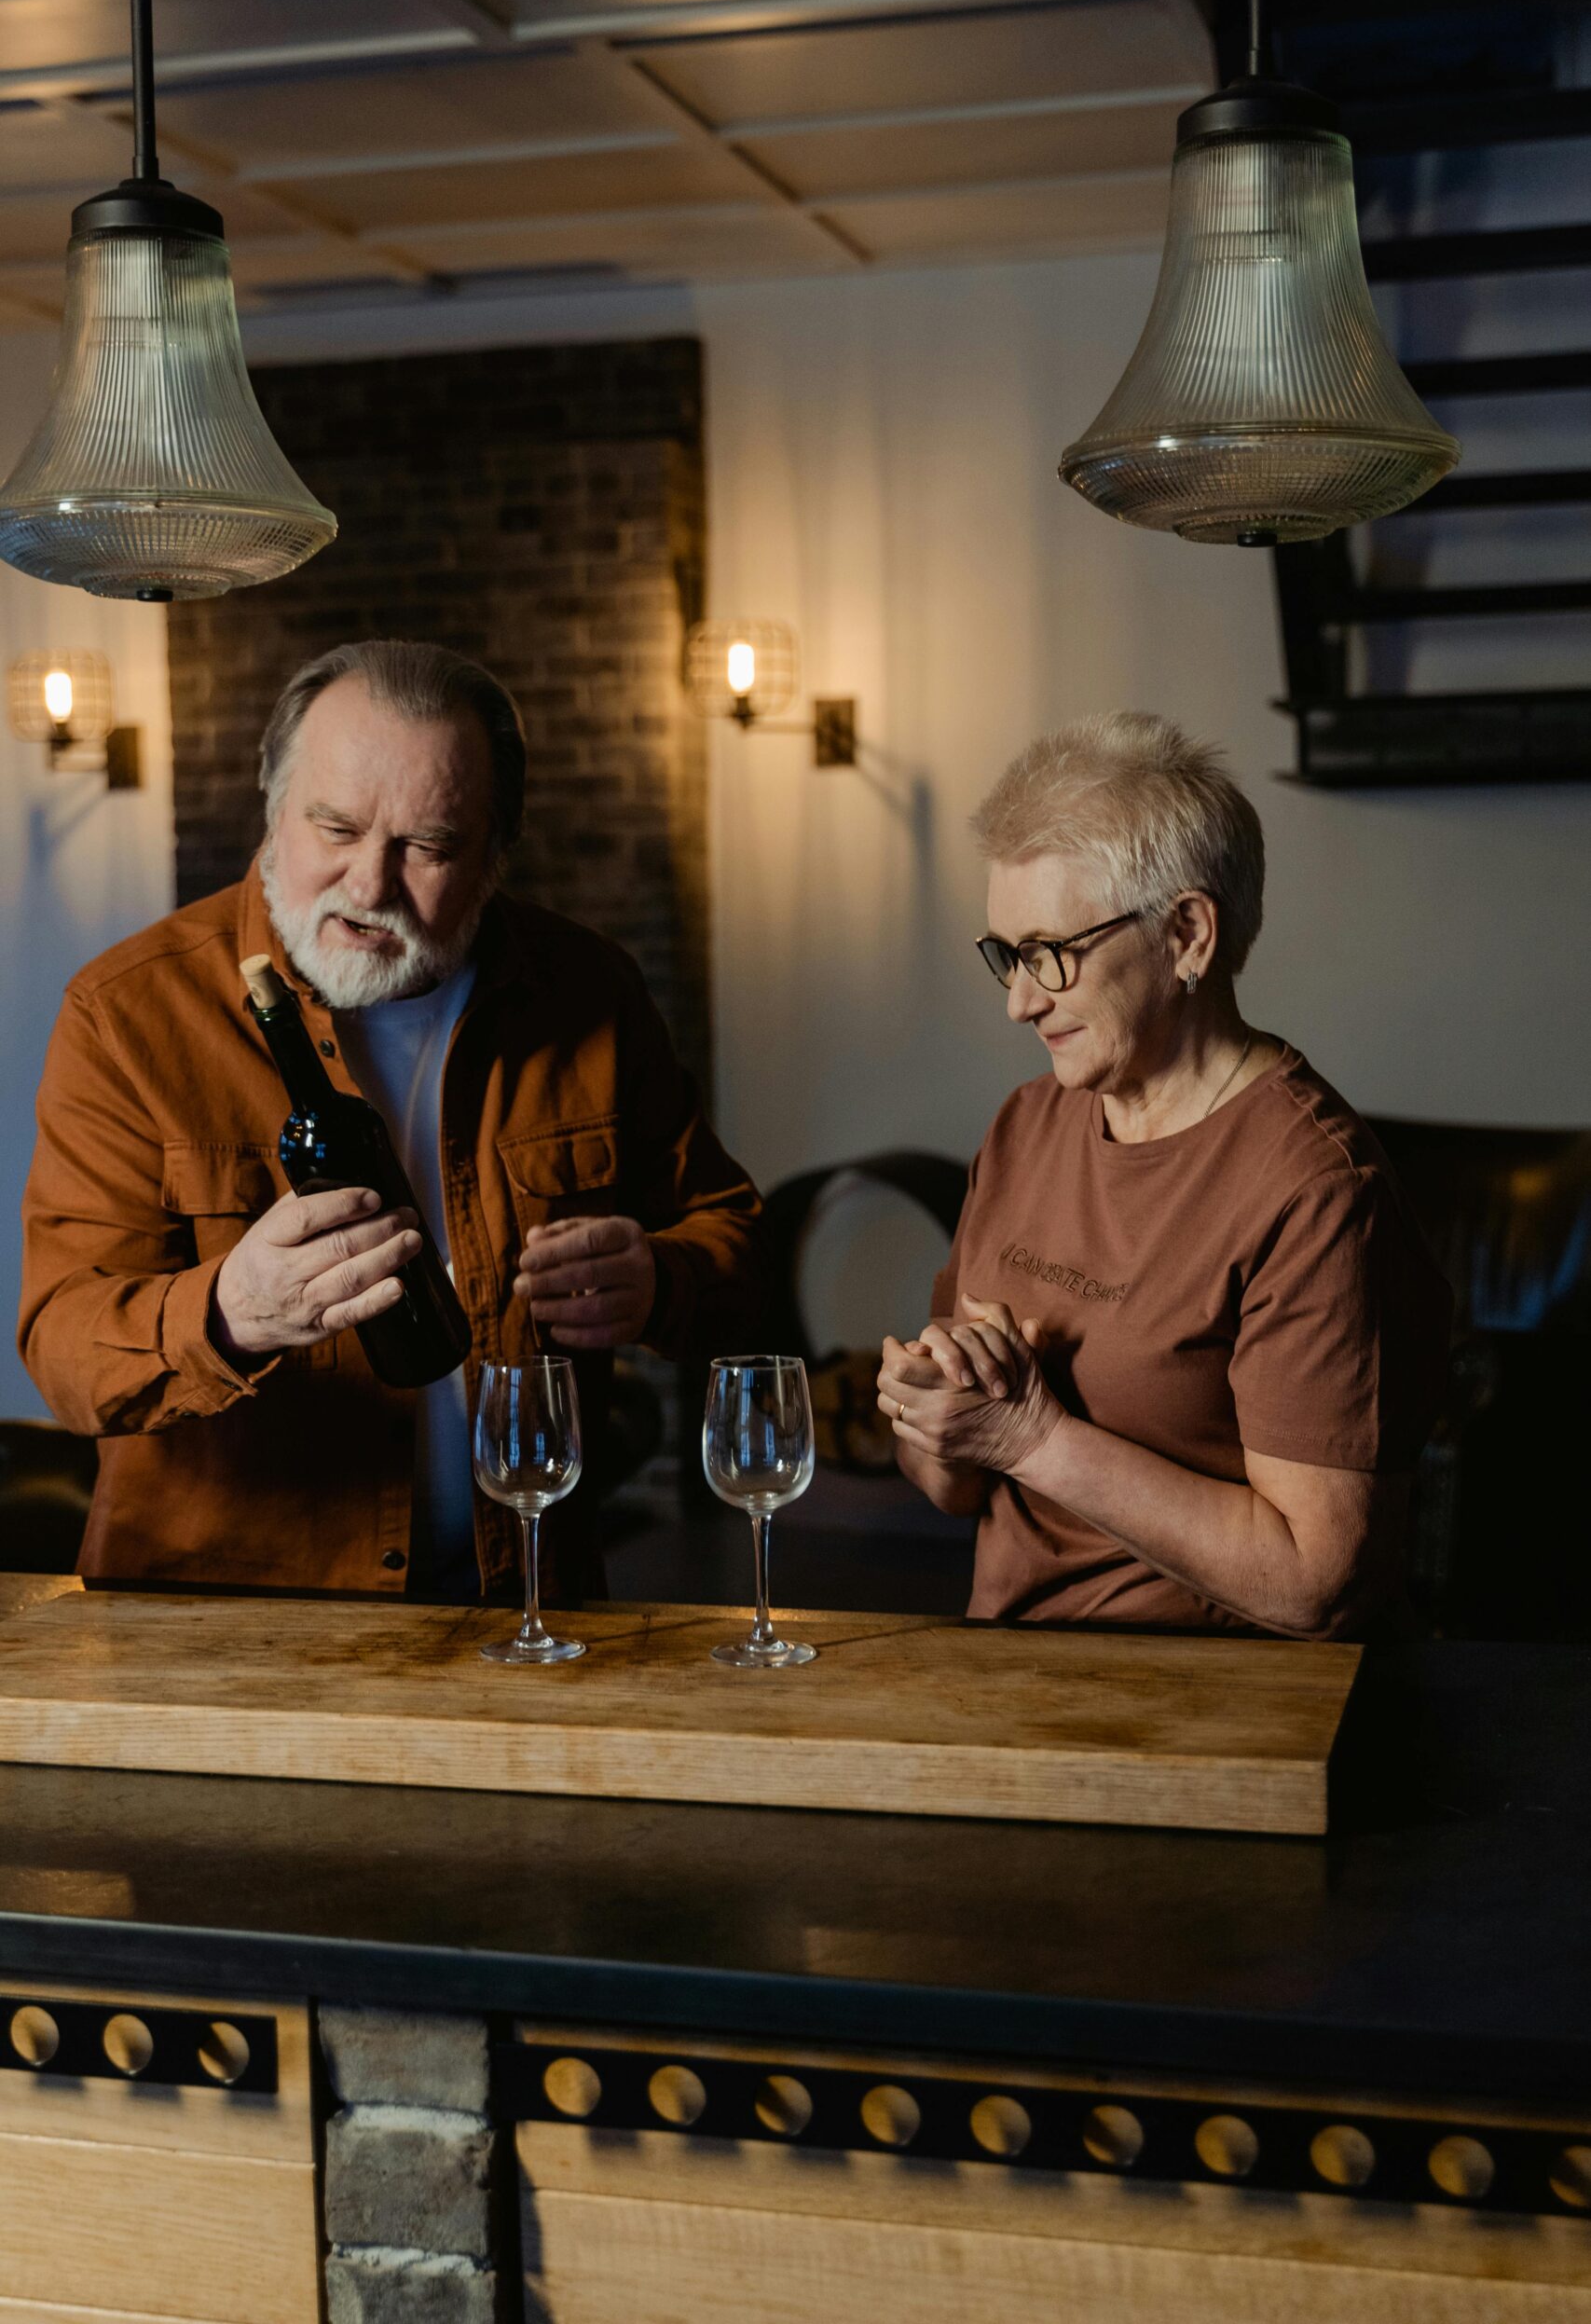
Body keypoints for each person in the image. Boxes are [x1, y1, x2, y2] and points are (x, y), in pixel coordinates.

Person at [20, 639, 763, 1602]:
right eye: (334, 827)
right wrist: (230, 1312)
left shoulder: (587, 989)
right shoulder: (125, 1013)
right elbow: (65, 1351)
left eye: (429, 847)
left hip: (527, 1604)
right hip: (223, 1636)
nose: (369, 886)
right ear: (272, 805)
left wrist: (661, 1278)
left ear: (496, 853)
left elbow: (737, 1247)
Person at [877, 714, 1450, 1638]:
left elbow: (1314, 1582)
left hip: (1211, 1705)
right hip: (1006, 1671)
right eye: (1006, 957)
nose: (1020, 1001)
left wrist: (1037, 1439)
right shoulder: (1028, 1125)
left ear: (1186, 934)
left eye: (1049, 954)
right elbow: (955, 1487)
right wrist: (938, 1419)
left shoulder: (1316, 1191)